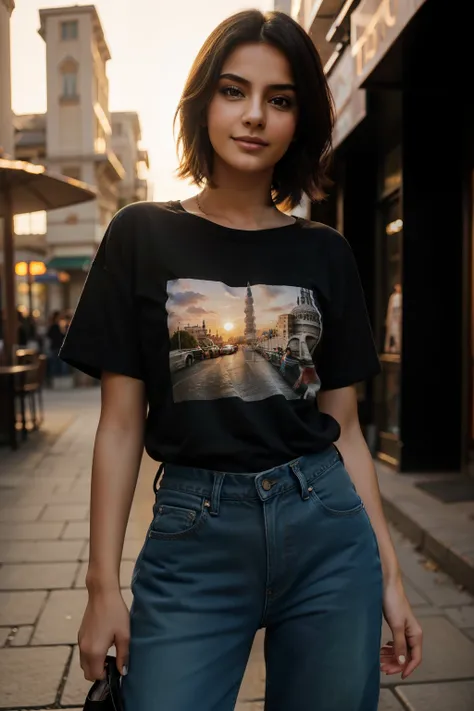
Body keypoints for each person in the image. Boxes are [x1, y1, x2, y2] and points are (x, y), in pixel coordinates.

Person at [59, 10, 422, 711]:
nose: (254, 115)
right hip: (194, 536)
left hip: (326, 529)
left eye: (279, 100)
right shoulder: (141, 234)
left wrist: (390, 571)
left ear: (300, 118)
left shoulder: (327, 252)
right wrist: (102, 585)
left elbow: (343, 428)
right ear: (203, 103)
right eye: (234, 91)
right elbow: (120, 424)